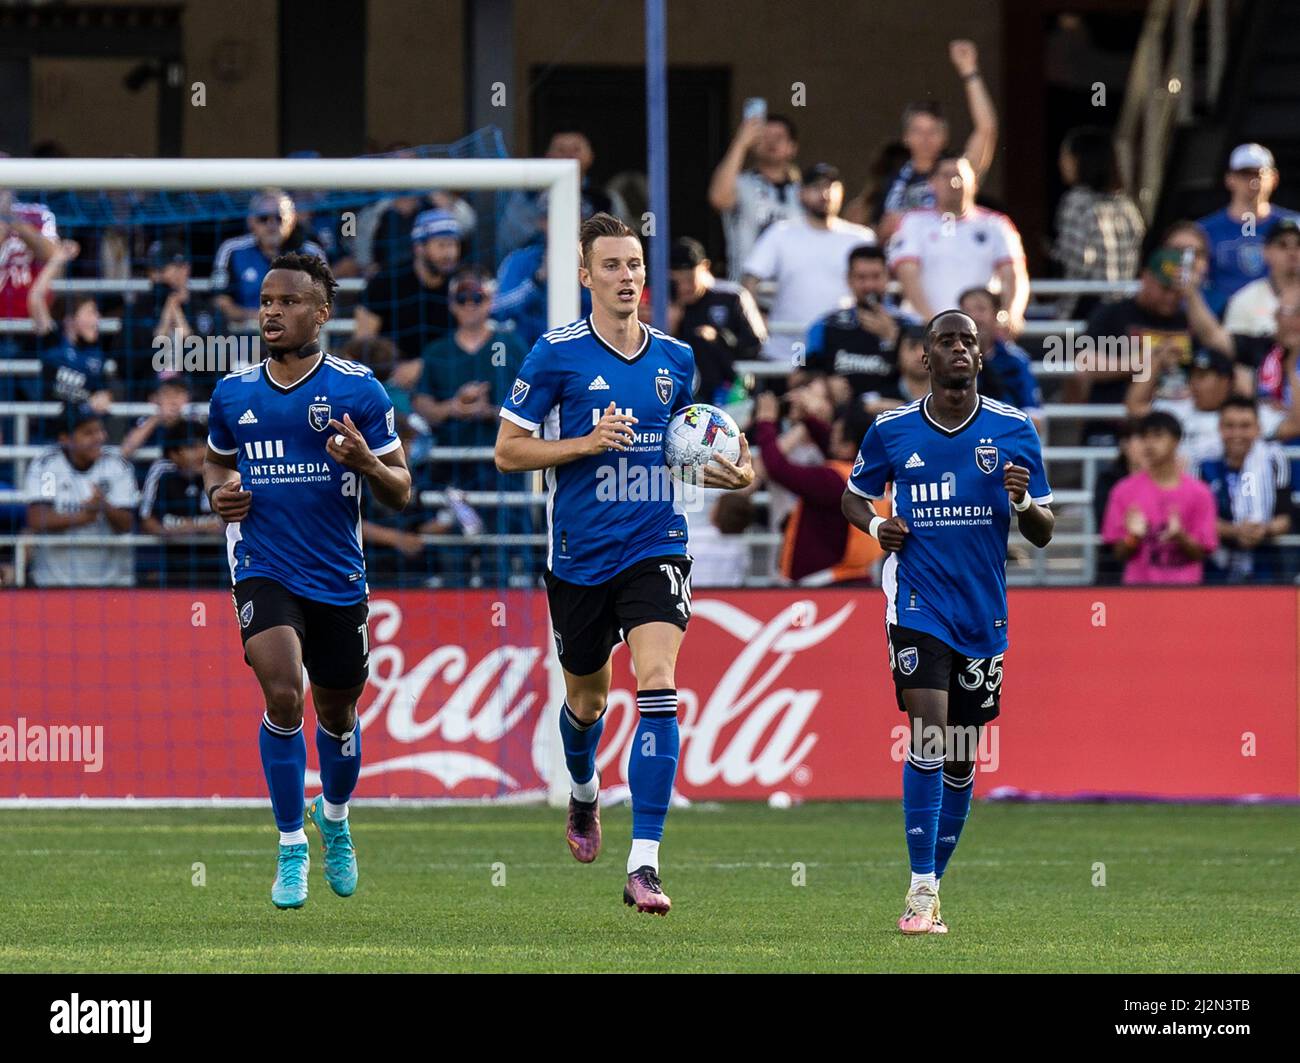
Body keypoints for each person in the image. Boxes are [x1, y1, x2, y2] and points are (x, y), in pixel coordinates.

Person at [494, 213, 754, 914]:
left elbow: (699, 442)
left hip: (655, 543)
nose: (626, 276)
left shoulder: (675, 358)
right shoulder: (554, 355)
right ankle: (583, 793)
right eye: (610, 265)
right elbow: (508, 451)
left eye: (634, 264)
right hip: (579, 557)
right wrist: (582, 443)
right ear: (585, 276)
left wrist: (735, 469)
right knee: (587, 702)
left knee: (659, 682)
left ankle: (645, 863)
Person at [203, 252, 411, 908]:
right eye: (266, 300)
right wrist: (220, 496)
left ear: (322, 313)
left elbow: (403, 490)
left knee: (338, 711)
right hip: (263, 568)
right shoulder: (233, 393)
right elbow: (216, 465)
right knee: (285, 693)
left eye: (289, 301)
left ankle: (337, 819)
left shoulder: (359, 391)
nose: (272, 310)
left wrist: (366, 462)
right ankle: (292, 843)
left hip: (337, 576)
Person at [841, 310, 1054, 935]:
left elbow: (1043, 532)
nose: (958, 348)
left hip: (982, 612)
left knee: (962, 756)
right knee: (929, 734)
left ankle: (935, 883)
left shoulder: (1014, 430)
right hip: (917, 602)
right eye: (945, 341)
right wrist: (879, 526)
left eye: (968, 341)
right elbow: (853, 495)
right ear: (923, 358)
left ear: (981, 357)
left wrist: (1020, 501)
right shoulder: (893, 431)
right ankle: (919, 889)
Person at [742, 162, 875, 363]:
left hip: (846, 346)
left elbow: (880, 286)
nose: (825, 193)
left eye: (831, 186)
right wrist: (757, 321)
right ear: (800, 193)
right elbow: (749, 279)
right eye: (816, 187)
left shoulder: (861, 238)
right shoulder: (781, 233)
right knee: (794, 391)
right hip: (791, 344)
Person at [873, 40, 999, 244]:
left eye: (933, 131)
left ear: (945, 136)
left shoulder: (958, 173)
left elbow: (987, 129)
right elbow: (877, 234)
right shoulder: (892, 179)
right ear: (906, 137)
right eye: (918, 131)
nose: (925, 139)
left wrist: (969, 71)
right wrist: (886, 229)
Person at [752, 392, 885, 585]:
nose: (830, 437)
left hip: (823, 584)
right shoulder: (873, 475)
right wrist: (808, 419)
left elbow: (777, 468)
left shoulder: (833, 481)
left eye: (836, 435)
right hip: (856, 577)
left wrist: (766, 422)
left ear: (848, 446)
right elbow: (831, 447)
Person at [888, 156, 1029, 333]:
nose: (954, 182)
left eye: (960, 176)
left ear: (974, 181)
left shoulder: (997, 224)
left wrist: (1011, 314)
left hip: (978, 334)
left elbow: (1015, 275)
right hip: (925, 330)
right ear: (931, 183)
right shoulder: (913, 222)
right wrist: (933, 323)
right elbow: (907, 275)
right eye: (945, 175)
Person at [23, 403, 139, 587]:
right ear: (65, 439)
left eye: (100, 430)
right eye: (88, 433)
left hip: (112, 584)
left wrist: (104, 506)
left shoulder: (116, 466)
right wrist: (84, 516)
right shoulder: (48, 467)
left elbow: (127, 523)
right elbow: (38, 519)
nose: (100, 437)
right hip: (55, 583)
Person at [1100, 411, 1217, 584]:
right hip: (1139, 592)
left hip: (1186, 593)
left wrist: (1180, 536)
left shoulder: (1200, 493)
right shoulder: (1123, 490)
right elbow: (1118, 554)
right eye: (1145, 437)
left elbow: (1202, 552)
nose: (1149, 444)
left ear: (1176, 441)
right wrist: (1133, 537)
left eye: (1158, 435)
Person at [1051, 126, 1145, 319]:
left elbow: (1077, 260)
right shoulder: (1127, 205)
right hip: (1122, 302)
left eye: (1065, 157)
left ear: (1079, 160)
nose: (1061, 163)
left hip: (1086, 303)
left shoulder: (1077, 202)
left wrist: (1055, 254)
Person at [1196, 143, 1300, 315]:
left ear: (1274, 178)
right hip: (1222, 319)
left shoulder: (1295, 226)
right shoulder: (1204, 231)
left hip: (1283, 316)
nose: (1252, 181)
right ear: (1229, 179)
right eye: (1244, 174)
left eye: (1259, 174)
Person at [1199, 396, 1293, 582]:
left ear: (1258, 429)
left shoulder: (1274, 460)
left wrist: (1263, 529)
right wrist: (1234, 531)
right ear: (1220, 428)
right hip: (1214, 568)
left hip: (1264, 563)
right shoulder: (1203, 463)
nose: (1237, 434)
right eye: (1230, 426)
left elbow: (1286, 516)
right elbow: (1197, 518)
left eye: (1245, 426)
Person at [805, 245, 913, 407]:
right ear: (849, 280)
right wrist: (826, 383)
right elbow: (798, 373)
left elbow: (926, 377)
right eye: (861, 278)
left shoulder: (910, 325)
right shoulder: (824, 325)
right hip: (839, 418)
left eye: (876, 277)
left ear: (888, 277)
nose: (869, 285)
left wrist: (894, 339)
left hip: (893, 415)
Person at [354, 208, 461, 365]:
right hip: (391, 374)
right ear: (419, 248)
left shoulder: (460, 283)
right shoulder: (386, 281)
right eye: (442, 245)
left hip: (446, 371)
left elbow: (471, 339)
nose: (449, 253)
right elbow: (363, 342)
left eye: (453, 245)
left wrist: (423, 366)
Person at [667, 236, 766, 405]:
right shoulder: (667, 301)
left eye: (690, 279)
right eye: (677, 281)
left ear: (704, 267)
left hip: (732, 387)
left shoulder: (731, 296)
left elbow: (755, 343)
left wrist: (719, 338)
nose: (684, 287)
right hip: (682, 388)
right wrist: (671, 324)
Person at [708, 113, 802, 281]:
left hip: (791, 294)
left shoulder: (803, 192)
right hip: (747, 293)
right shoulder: (742, 184)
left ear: (792, 147)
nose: (771, 142)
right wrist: (740, 143)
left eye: (779, 137)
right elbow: (718, 198)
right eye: (764, 136)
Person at [211, 190, 327, 325]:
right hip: (244, 340)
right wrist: (258, 317)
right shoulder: (232, 250)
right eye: (263, 218)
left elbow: (326, 303)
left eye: (279, 218)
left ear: (292, 219)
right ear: (251, 221)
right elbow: (219, 301)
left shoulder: (312, 253)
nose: (271, 225)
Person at [139, 418, 225, 586]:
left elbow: (229, 522)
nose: (201, 452)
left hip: (217, 566)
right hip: (172, 566)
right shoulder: (162, 471)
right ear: (174, 454)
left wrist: (183, 526)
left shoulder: (218, 470)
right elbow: (146, 520)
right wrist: (198, 527)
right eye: (192, 447)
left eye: (204, 445)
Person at [1126, 347, 1235, 467]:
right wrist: (1157, 361)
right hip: (1175, 482)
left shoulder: (1239, 417)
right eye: (1191, 376)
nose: (1194, 382)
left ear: (1224, 381)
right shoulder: (1175, 409)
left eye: (1201, 376)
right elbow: (1135, 406)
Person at [957, 287, 1044, 425]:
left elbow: (1034, 419)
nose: (974, 317)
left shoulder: (1014, 360)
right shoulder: (946, 359)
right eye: (967, 311)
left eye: (981, 309)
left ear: (995, 314)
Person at [1223, 217, 1300, 338]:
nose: (1292, 252)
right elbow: (1234, 351)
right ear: (1266, 252)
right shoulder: (1245, 299)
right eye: (1282, 245)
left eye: (1298, 244)